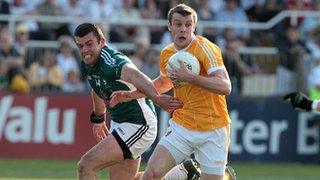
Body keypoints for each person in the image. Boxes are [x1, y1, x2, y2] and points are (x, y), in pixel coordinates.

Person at [110, 4, 234, 180]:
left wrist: (192, 77)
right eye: (178, 24)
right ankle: (186, 172)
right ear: (169, 26)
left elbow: (225, 86)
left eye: (188, 25)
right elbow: (163, 83)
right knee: (151, 175)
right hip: (182, 126)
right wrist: (131, 94)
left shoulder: (206, 48)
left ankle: (188, 174)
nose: (183, 29)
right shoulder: (167, 53)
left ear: (194, 27)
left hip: (213, 129)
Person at [73, 23, 183, 180]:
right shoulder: (88, 61)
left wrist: (157, 98)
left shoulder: (112, 62)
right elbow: (96, 87)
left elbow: (137, 77)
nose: (84, 50)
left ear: (102, 42)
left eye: (89, 44)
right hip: (121, 123)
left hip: (139, 123)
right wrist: (98, 118)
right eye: (80, 46)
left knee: (86, 165)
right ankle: (179, 175)